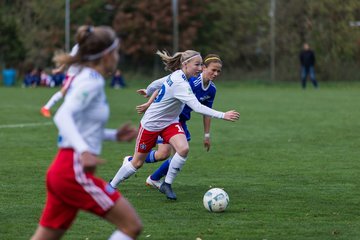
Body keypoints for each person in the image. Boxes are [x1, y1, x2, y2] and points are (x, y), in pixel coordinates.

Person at [31, 25, 142, 240]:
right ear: (107, 55)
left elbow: (82, 127)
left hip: (62, 170)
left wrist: (112, 135)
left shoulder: (89, 79)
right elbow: (62, 115)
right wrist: (83, 151)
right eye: (116, 51)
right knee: (131, 225)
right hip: (73, 171)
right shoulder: (90, 82)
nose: (118, 57)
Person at [109, 50, 239, 200]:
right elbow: (197, 107)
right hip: (152, 124)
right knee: (137, 163)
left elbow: (156, 83)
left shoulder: (178, 75)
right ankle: (111, 185)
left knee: (183, 149)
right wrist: (224, 115)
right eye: (197, 64)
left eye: (201, 64)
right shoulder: (180, 83)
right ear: (185, 64)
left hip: (171, 122)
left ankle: (167, 184)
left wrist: (148, 91)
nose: (199, 67)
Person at [129, 54, 223, 190]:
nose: (215, 74)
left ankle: (153, 178)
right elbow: (164, 86)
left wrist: (207, 135)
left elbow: (206, 111)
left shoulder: (212, 89)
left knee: (174, 154)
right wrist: (149, 102)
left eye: (218, 71)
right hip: (168, 119)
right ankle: (135, 163)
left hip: (181, 121)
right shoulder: (190, 80)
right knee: (167, 154)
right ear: (203, 68)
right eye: (213, 70)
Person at [40, 45, 79, 118]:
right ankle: (46, 108)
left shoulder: (91, 45)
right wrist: (60, 69)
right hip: (73, 74)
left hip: (81, 74)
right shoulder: (78, 46)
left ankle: (70, 112)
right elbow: (69, 59)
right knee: (64, 92)